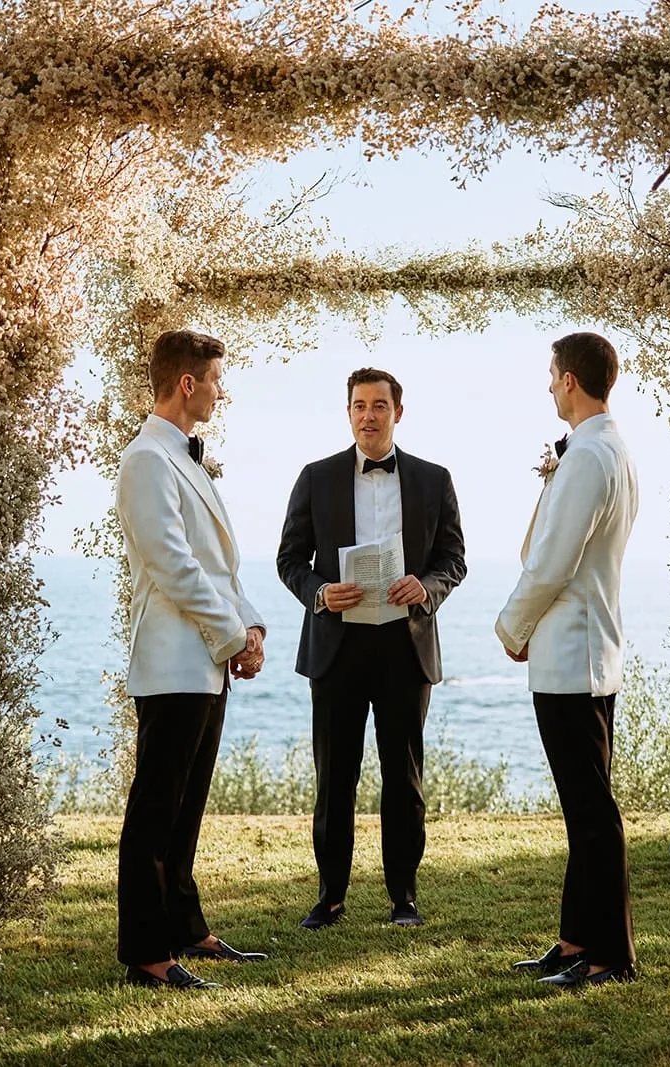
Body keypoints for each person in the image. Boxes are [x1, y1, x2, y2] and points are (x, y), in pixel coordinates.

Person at [277, 367, 467, 930]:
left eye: (379, 405)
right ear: (349, 413)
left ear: (397, 413)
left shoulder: (435, 479)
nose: (368, 415)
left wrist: (426, 587)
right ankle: (330, 896)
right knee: (335, 776)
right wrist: (320, 593)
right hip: (338, 647)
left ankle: (403, 897)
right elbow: (290, 560)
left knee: (403, 777)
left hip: (404, 647)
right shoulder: (316, 477)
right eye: (359, 405)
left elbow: (453, 560)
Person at [113, 330, 269, 990]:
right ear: (186, 383)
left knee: (186, 808)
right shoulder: (146, 460)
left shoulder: (186, 459)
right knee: (155, 811)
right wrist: (232, 636)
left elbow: (218, 564)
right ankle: (147, 954)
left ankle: (186, 926)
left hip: (205, 659)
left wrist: (250, 623)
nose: (218, 390)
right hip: (175, 658)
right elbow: (175, 567)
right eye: (213, 380)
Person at [498, 332, 639, 988]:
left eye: (552, 375)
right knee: (583, 810)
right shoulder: (608, 447)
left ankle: (611, 956)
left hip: (571, 657)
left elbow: (553, 559)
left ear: (572, 382)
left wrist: (511, 624)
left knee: (591, 813)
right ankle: (575, 940)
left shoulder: (587, 457)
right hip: (591, 652)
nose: (549, 385)